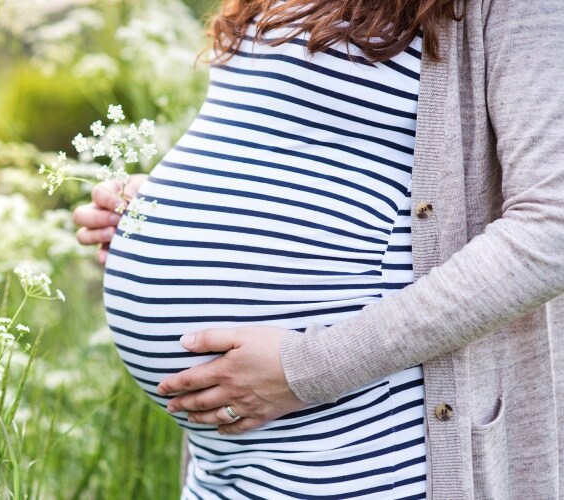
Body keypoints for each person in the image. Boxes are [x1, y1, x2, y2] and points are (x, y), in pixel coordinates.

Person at [74, 0, 564, 497]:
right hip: (224, 462)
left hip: (367, 444)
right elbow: (288, 138)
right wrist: (156, 207)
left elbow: (551, 229)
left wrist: (306, 368)